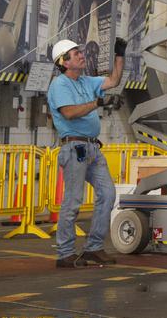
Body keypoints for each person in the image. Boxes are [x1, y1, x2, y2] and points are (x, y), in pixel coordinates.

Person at [47, 37, 125, 268]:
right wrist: (96, 103)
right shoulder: (59, 85)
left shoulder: (86, 81)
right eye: (76, 53)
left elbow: (114, 80)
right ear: (64, 62)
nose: (82, 55)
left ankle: (94, 247)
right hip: (75, 148)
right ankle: (64, 253)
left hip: (91, 147)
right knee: (73, 201)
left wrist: (119, 55)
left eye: (80, 52)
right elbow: (69, 112)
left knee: (108, 193)